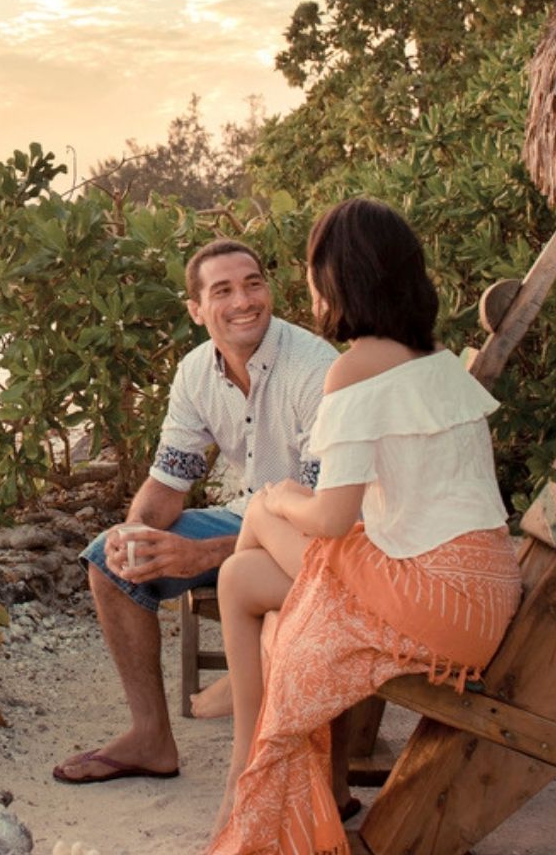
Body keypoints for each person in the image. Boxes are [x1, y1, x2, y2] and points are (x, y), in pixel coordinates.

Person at [207, 198, 521, 855]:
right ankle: (252, 749)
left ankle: (248, 752)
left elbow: (331, 517)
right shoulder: (430, 362)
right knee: (239, 578)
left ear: (340, 279)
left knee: (268, 507)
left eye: (315, 272)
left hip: (438, 599)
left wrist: (282, 498)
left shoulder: (354, 367)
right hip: (478, 587)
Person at [51, 237, 336, 785]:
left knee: (224, 558)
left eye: (254, 283)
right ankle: (150, 737)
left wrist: (197, 554)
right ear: (197, 309)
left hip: (311, 538)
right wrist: (133, 535)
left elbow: (328, 526)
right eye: (223, 290)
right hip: (249, 516)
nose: (244, 301)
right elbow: (167, 481)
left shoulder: (314, 369)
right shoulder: (195, 373)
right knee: (107, 561)